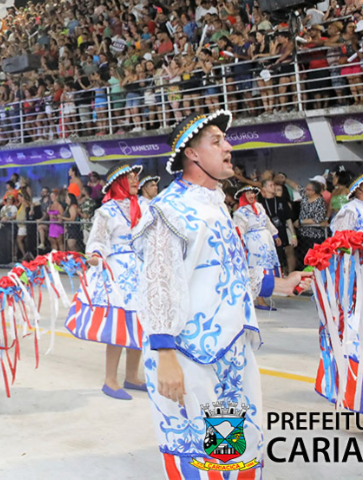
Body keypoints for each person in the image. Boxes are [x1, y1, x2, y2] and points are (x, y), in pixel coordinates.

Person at [135, 110, 304, 476]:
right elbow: (157, 283)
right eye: (217, 141)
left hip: (229, 351)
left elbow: (228, 269)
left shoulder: (213, 205)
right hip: (189, 354)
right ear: (192, 154)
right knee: (199, 453)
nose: (229, 147)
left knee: (229, 451)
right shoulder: (169, 210)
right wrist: (164, 353)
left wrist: (278, 284)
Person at [67, 163, 147, 400]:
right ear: (118, 182)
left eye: (136, 178)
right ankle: (110, 380)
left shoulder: (144, 206)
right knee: (118, 327)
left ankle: (132, 376)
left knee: (139, 323)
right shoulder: (107, 211)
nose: (135, 181)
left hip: (140, 270)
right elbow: (98, 240)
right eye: (130, 178)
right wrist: (96, 255)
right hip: (117, 274)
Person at [232, 186, 280, 310]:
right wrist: (241, 245)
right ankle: (258, 299)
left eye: (252, 193)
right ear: (243, 196)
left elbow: (267, 222)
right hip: (253, 244)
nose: (251, 196)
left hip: (266, 241)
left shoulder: (260, 207)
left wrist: (275, 235)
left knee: (266, 269)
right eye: (248, 194)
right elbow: (239, 230)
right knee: (256, 270)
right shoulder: (240, 213)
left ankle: (263, 296)